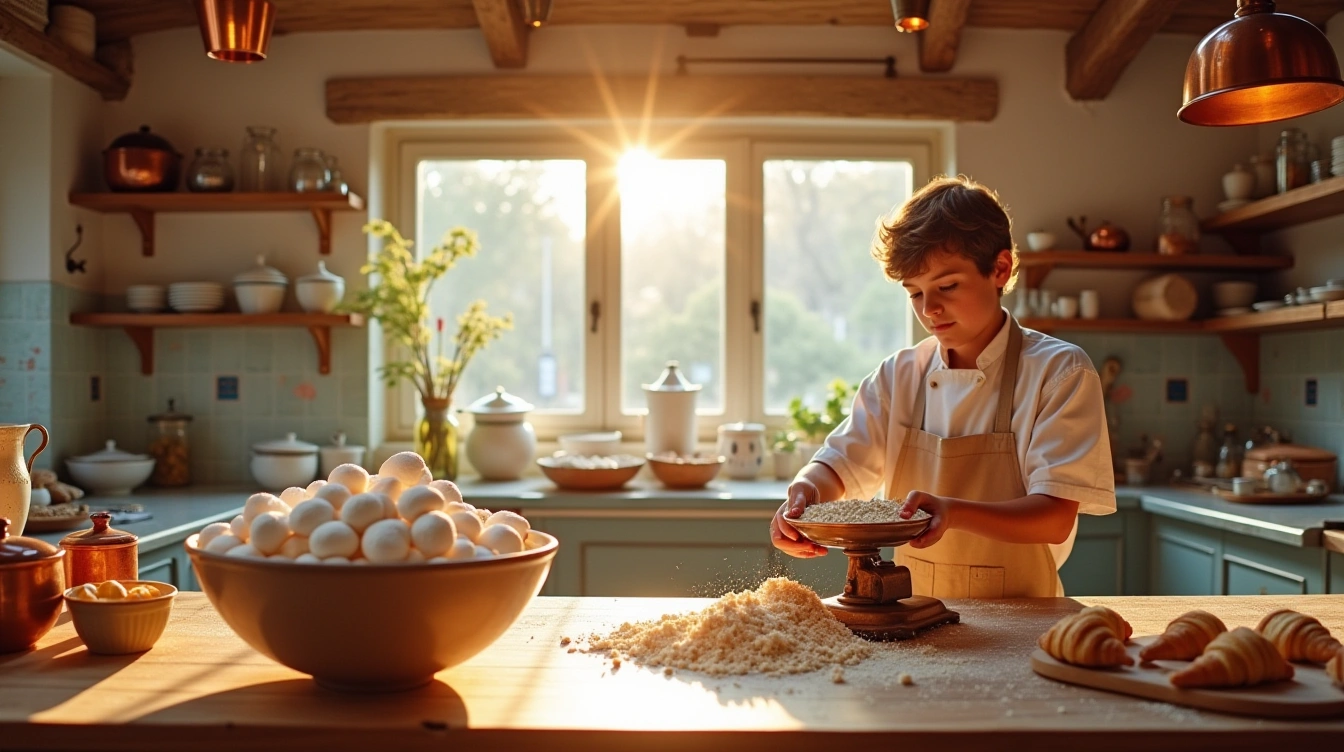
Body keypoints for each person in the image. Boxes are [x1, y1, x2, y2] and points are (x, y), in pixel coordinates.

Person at [769, 175, 1115, 598]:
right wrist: (805, 493)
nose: (929, 309)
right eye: (914, 293)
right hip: (912, 614)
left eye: (947, 286)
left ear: (1000, 269)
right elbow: (840, 463)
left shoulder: (1059, 372)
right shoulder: (898, 377)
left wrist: (952, 512)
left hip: (1023, 619)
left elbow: (1054, 517)